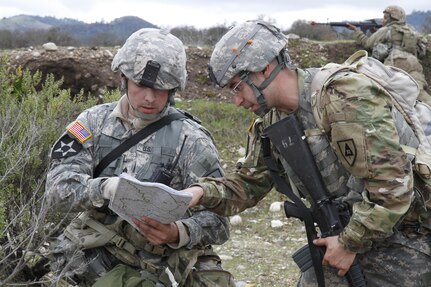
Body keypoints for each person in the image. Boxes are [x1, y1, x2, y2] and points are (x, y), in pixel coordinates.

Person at [182, 20, 431, 286]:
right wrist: (196, 194)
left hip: (404, 236)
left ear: (263, 69)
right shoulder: (271, 121)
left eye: (237, 87)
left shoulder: (342, 97)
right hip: (348, 233)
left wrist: (348, 244)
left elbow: (392, 188)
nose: (237, 101)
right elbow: (248, 184)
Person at [45, 28, 235, 287]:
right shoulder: (92, 123)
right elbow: (57, 190)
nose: (150, 97)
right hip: (100, 248)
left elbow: (219, 221)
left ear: (173, 90)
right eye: (142, 85)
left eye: (161, 89)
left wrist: (178, 232)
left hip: (165, 259)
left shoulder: (192, 140)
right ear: (123, 79)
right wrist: (105, 188)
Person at [347, 5, 431, 107]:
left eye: (385, 18)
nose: (383, 20)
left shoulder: (386, 30)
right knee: (419, 91)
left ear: (392, 18)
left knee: (389, 94)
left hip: (396, 62)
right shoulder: (410, 30)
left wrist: (357, 31)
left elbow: (368, 43)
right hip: (414, 62)